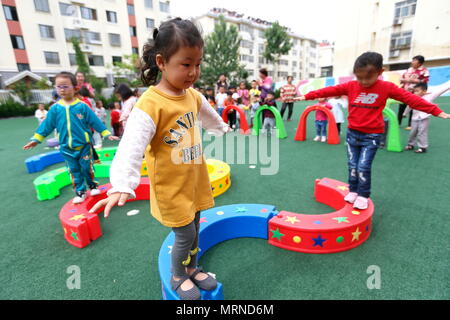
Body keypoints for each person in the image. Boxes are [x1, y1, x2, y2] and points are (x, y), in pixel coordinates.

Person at [88, 18, 230, 300]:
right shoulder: (150, 104)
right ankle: (178, 275)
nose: (193, 72)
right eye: (186, 64)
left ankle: (192, 268)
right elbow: (131, 146)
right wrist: (121, 183)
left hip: (195, 179)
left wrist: (222, 128)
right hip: (171, 187)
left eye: (197, 64)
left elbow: (207, 114)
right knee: (185, 235)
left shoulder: (192, 95)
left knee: (195, 227)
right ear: (162, 62)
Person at [295, 52, 450, 210]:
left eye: (367, 78)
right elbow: (329, 91)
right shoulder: (351, 86)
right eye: (359, 77)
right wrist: (307, 96)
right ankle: (354, 190)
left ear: (380, 72)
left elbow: (410, 99)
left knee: (363, 167)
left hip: (372, 136)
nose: (363, 81)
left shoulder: (386, 87)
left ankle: (363, 194)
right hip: (352, 134)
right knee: (352, 165)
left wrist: (436, 111)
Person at [23, 71, 118, 204]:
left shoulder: (82, 106)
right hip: (66, 148)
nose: (62, 89)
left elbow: (95, 121)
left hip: (84, 146)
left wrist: (106, 133)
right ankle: (80, 191)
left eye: (65, 86)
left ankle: (92, 185)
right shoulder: (55, 109)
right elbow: (46, 125)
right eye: (58, 86)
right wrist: (36, 139)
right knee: (73, 171)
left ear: (75, 88)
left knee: (86, 167)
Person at [404, 82, 450, 153]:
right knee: (413, 132)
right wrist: (405, 113)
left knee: (422, 132)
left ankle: (422, 147)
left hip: (424, 118)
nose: (415, 93)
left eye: (417, 91)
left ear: (424, 91)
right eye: (414, 91)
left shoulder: (430, 96)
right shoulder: (413, 97)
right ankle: (410, 144)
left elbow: (441, 90)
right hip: (414, 118)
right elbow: (409, 106)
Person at [398, 55, 430, 129]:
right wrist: (405, 80)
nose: (412, 62)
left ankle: (410, 124)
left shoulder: (424, 70)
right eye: (412, 60)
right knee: (401, 107)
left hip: (415, 93)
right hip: (405, 91)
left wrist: (415, 81)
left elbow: (425, 81)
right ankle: (398, 122)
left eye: (414, 61)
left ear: (420, 63)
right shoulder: (409, 69)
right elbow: (402, 79)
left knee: (413, 108)